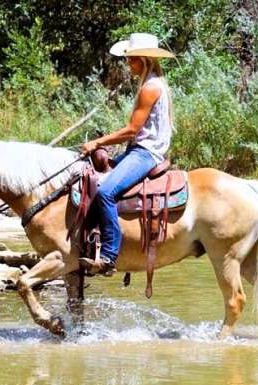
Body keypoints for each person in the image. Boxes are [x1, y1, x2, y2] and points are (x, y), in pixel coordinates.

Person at [79, 33, 175, 275]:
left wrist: (97, 142)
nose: (128, 64)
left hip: (145, 153)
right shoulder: (155, 83)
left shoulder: (150, 88)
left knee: (105, 192)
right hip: (142, 149)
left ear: (143, 60)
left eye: (131, 59)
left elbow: (132, 129)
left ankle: (110, 256)